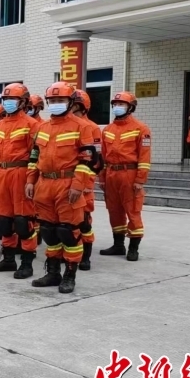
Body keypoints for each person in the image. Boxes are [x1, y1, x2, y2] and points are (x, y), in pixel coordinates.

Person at [26, 82, 99, 294]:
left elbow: (88, 159)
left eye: (61, 100)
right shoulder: (42, 128)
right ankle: (53, 272)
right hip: (44, 184)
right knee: (49, 231)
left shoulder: (82, 127)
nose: (56, 103)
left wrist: (78, 185)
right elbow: (34, 157)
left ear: (71, 102)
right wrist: (30, 180)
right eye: (53, 100)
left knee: (69, 232)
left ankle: (69, 275)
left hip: (68, 184)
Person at [0, 84, 40, 278]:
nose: (8, 102)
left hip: (21, 173)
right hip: (2, 174)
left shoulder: (32, 124)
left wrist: (31, 180)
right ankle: (8, 259)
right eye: (6, 99)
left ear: (24, 102)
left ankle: (27, 263)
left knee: (24, 221)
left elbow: (36, 154)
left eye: (13, 99)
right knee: (4, 220)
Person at [98, 92, 151, 262]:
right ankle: (118, 245)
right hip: (111, 174)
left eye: (121, 104)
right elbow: (103, 157)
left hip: (130, 174)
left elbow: (144, 157)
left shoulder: (141, 129)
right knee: (114, 211)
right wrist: (102, 178)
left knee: (132, 210)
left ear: (131, 107)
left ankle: (133, 248)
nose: (117, 107)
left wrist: (140, 180)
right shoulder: (108, 130)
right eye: (115, 104)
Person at [71, 90, 105, 270]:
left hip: (84, 180)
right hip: (66, 181)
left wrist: (86, 182)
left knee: (83, 219)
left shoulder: (91, 128)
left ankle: (86, 255)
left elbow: (95, 160)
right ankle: (71, 252)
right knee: (68, 221)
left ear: (82, 106)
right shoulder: (66, 125)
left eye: (74, 104)